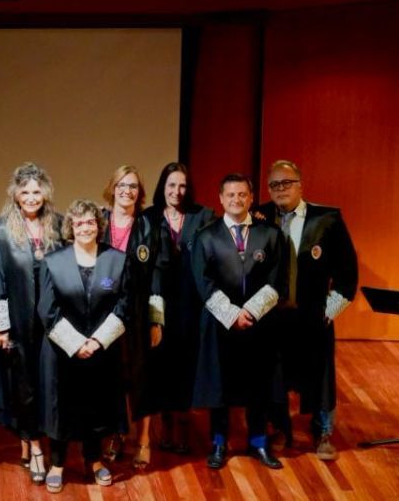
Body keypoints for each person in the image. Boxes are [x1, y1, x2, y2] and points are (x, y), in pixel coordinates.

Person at [258, 160, 358, 461]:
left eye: (286, 182)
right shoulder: (260, 217)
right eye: (274, 184)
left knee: (321, 373)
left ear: (300, 185)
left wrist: (329, 310)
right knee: (275, 374)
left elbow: (347, 273)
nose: (280, 189)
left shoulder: (327, 219)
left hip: (314, 314)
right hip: (274, 315)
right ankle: (280, 428)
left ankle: (323, 431)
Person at [191, 173, 287, 470]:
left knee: (259, 384)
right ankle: (219, 443)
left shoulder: (270, 234)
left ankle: (258, 443)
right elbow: (203, 282)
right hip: (220, 323)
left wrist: (252, 311)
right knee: (220, 386)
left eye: (242, 194)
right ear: (221, 199)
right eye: (230, 195)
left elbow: (277, 280)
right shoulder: (206, 237)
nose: (236, 200)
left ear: (251, 197)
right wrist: (232, 314)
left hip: (259, 323)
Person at [37, 199, 129, 492]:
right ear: (71, 227)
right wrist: (76, 343)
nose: (85, 228)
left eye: (90, 222)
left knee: (96, 406)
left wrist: (98, 341)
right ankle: (57, 463)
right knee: (61, 408)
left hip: (102, 349)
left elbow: (124, 304)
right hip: (62, 350)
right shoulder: (53, 261)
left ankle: (95, 460)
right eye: (79, 223)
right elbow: (47, 309)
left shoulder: (117, 260)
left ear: (99, 226)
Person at [0, 162, 62, 484]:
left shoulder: (59, 225)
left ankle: (37, 439)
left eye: (36, 191)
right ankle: (35, 447)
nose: (31, 197)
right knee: (25, 386)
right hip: (17, 322)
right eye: (25, 192)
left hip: (53, 322)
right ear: (15, 194)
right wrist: (0, 326)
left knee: (50, 385)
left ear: (45, 193)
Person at [140, 162, 214, 456]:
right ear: (163, 186)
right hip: (158, 298)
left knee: (187, 360)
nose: (177, 191)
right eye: (171, 185)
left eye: (182, 185)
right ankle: (165, 420)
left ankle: (183, 420)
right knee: (161, 360)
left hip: (191, 301)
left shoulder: (203, 215)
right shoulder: (149, 217)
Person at [100, 165, 155, 467]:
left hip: (137, 313)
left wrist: (156, 320)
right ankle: (115, 435)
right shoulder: (98, 222)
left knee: (140, 378)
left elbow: (157, 276)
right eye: (121, 184)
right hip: (102, 313)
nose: (127, 191)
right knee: (111, 378)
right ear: (112, 187)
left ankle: (143, 439)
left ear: (139, 192)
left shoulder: (148, 226)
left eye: (133, 186)